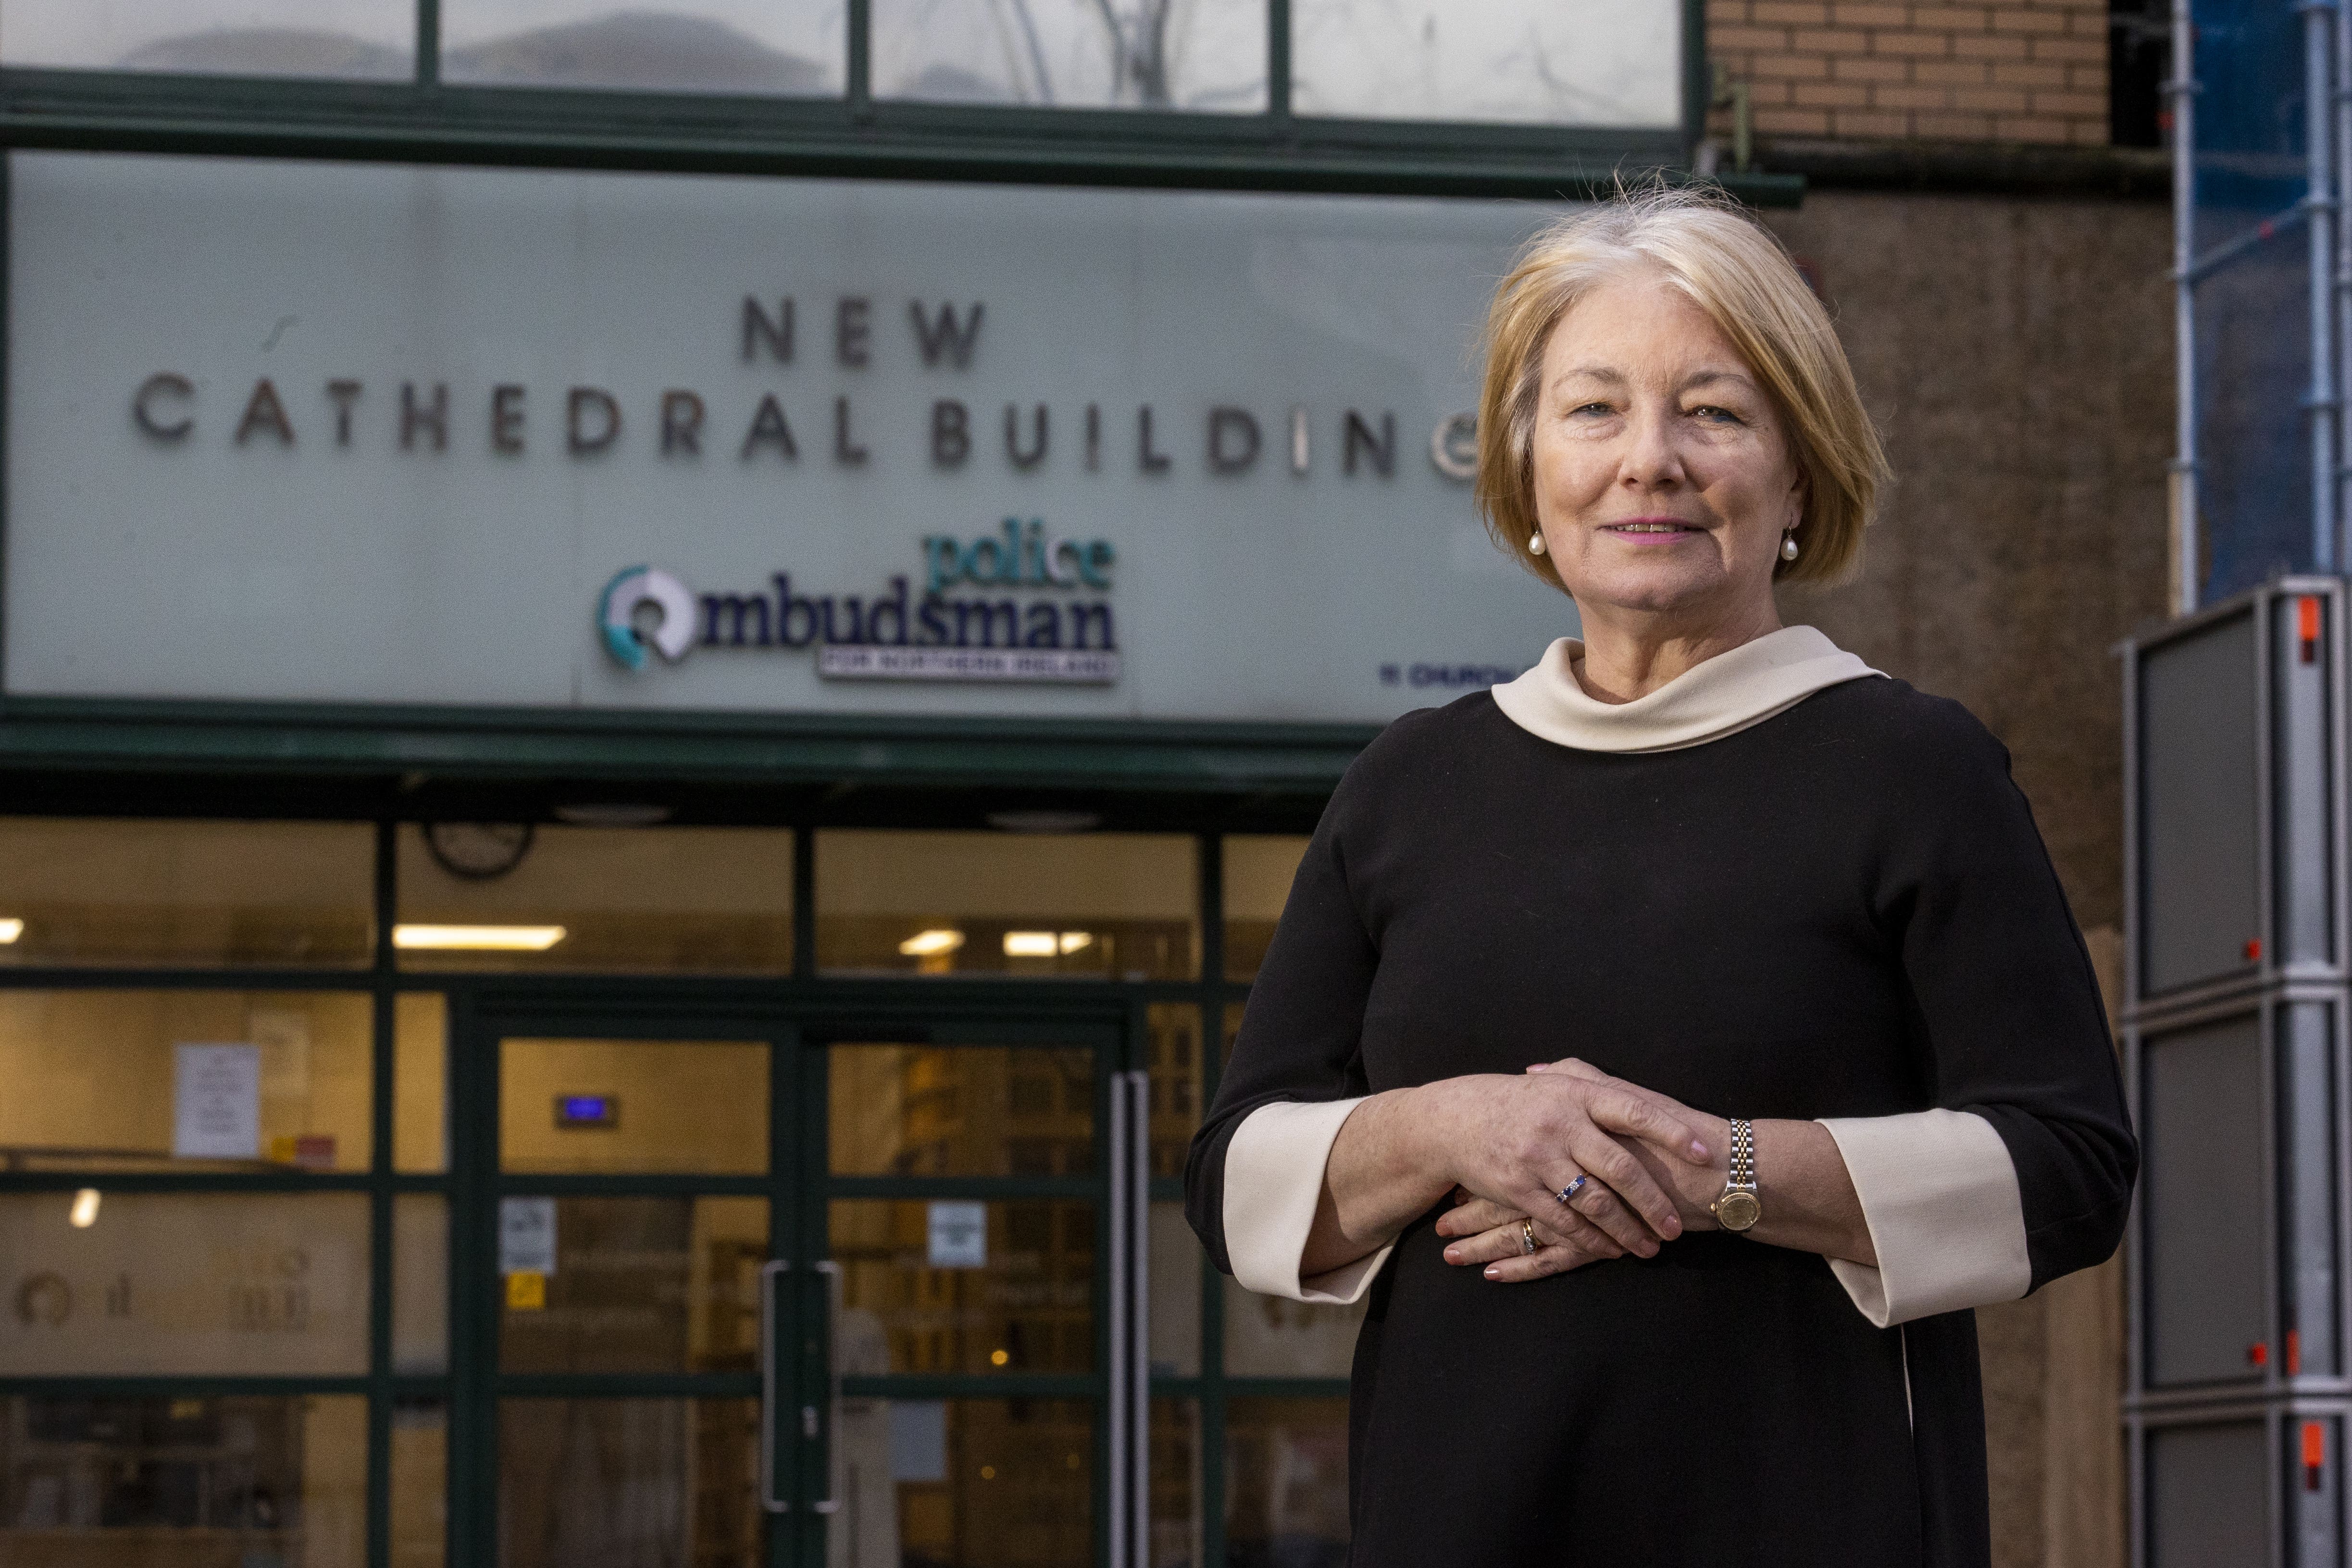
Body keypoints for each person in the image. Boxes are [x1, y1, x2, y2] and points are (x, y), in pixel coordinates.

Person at [1182, 185, 2136, 1567]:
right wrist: (1455, 1128)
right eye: (1595, 409)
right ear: (1527, 469)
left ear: (1799, 474)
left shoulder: (1913, 770)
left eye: (1715, 412)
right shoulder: (1408, 787)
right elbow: (1233, 1181)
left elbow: (2071, 1168)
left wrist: (1710, 1171)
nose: (1651, 461)